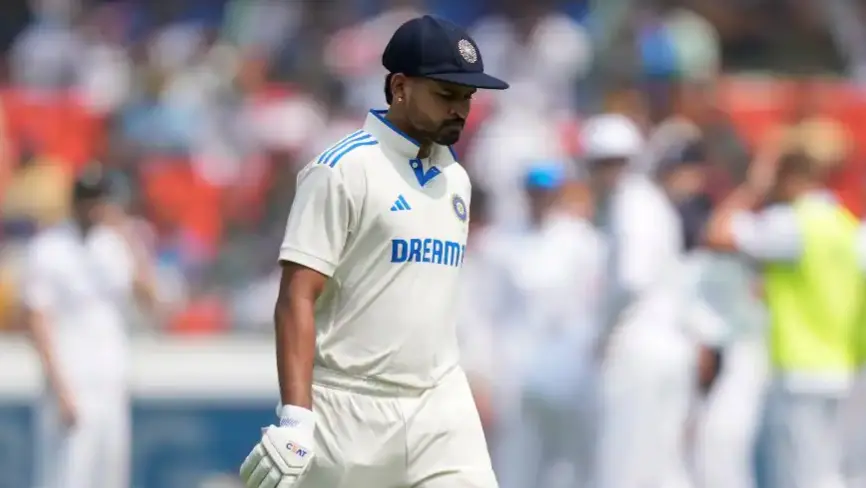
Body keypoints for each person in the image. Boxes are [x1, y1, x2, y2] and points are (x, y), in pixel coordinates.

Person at [239, 15, 509, 488]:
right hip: (348, 409)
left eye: (467, 97)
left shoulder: (456, 179)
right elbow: (296, 296)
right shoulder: (342, 170)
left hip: (440, 405)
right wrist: (296, 418)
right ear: (400, 87)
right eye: (446, 94)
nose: (460, 110)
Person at [703, 133, 865, 488]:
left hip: (798, 369)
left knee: (798, 476)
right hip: (840, 367)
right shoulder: (843, 225)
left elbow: (718, 233)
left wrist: (753, 186)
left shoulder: (792, 224)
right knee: (827, 473)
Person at [22, 163, 157, 488]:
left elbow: (149, 298)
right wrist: (60, 388)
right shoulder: (49, 249)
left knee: (109, 477)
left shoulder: (113, 246)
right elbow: (38, 321)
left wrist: (129, 238)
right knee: (68, 476)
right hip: (72, 380)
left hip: (110, 380)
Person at [586, 114, 694, 488]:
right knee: (664, 466)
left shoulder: (629, 204)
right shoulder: (651, 201)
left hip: (637, 348)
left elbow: (632, 280)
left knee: (623, 467)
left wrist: (603, 333)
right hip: (670, 345)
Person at [488, 161, 605, 488]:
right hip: (515, 372)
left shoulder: (581, 240)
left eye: (548, 192)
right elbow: (487, 313)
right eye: (535, 192)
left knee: (568, 466)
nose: (541, 199)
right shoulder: (501, 242)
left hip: (570, 369)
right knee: (515, 463)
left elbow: (594, 306)